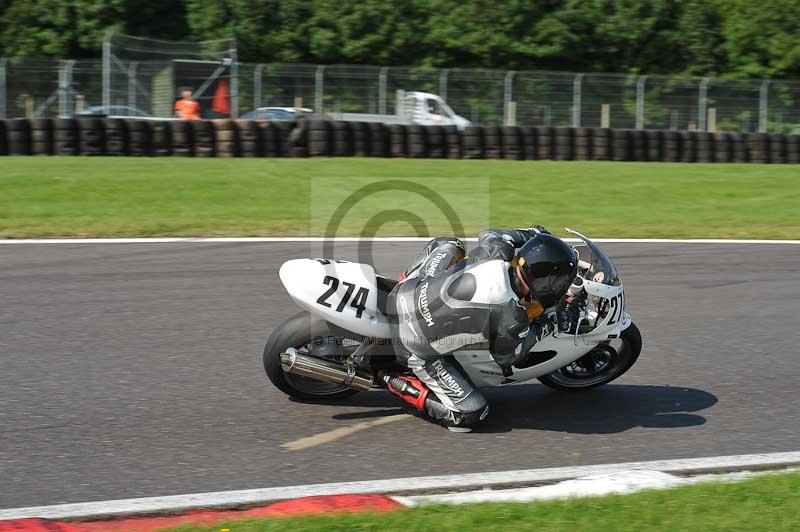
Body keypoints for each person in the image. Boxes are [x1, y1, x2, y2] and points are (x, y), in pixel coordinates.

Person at [382, 226, 579, 432]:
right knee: (470, 414)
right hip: (413, 344)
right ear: (544, 282)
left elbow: (491, 234)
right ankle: (387, 377)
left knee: (450, 244)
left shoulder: (496, 250)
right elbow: (509, 356)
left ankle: (404, 280)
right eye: (559, 282)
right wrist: (548, 325)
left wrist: (532, 234)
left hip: (407, 289)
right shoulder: (512, 316)